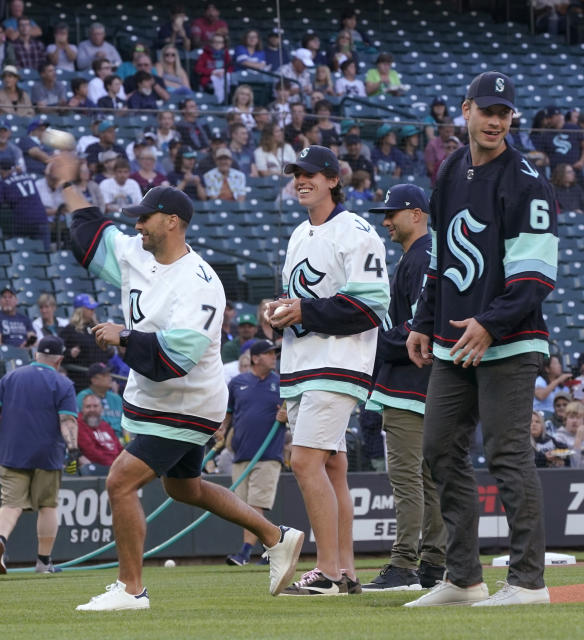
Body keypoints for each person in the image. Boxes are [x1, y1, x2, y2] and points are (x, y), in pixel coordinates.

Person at [59, 158, 302, 609]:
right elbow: (89, 233)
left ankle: (132, 589)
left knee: (120, 482)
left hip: (187, 401)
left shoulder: (199, 282)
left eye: (145, 218)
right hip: (155, 400)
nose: (137, 226)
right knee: (182, 487)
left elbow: (178, 358)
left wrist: (124, 336)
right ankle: (277, 536)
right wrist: (68, 184)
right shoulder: (137, 252)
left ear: (172, 222)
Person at [404, 72, 557, 608]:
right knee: (438, 447)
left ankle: (527, 583)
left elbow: (536, 275)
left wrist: (491, 323)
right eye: (487, 110)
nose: (495, 120)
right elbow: (440, 261)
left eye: (505, 112)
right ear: (465, 111)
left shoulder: (526, 178)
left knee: (508, 453)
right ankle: (464, 578)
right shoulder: (449, 169)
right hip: (453, 339)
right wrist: (424, 321)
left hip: (509, 342)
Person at [266, 145, 389, 596]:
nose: (302, 180)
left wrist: (302, 311)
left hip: (339, 361)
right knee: (333, 466)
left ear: (334, 179)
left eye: (312, 174)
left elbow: (372, 305)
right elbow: (298, 298)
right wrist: (279, 310)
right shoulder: (299, 233)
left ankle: (329, 571)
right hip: (303, 363)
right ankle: (348, 571)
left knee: (305, 460)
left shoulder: (356, 231)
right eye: (296, 174)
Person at [362, 185, 446, 591]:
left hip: (408, 384)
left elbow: (418, 328)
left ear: (416, 214)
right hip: (427, 385)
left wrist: (366, 343)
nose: (386, 221)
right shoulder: (423, 254)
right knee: (427, 478)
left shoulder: (421, 256)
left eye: (392, 213)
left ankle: (403, 564)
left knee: (407, 478)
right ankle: (433, 562)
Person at [0, 335, 78, 574]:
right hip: (48, 455)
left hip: (13, 452)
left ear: (36, 354)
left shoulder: (11, 376)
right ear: (60, 359)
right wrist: (73, 449)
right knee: (47, 507)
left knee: (11, 505)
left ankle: (1, 540)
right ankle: (43, 562)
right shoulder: (63, 383)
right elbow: (67, 421)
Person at [221, 340, 286, 566]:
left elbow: (294, 411)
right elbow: (228, 415)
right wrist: (221, 431)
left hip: (268, 454)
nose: (273, 357)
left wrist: (286, 415)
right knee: (243, 508)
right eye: (268, 354)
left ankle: (245, 552)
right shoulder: (237, 383)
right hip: (241, 454)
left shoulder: (281, 383)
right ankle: (275, 547)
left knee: (254, 505)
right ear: (256, 358)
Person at [0, 158, 51, 248]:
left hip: (23, 221)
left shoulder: (3, 183)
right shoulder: (28, 176)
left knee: (20, 250)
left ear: (1, 170)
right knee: (44, 253)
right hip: (41, 219)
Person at [60, 294, 113, 391]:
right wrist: (69, 353)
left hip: (100, 380)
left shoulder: (96, 328)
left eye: (93, 308)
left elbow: (104, 354)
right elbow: (59, 354)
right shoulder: (69, 330)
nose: (93, 311)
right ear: (80, 310)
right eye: (89, 308)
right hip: (81, 381)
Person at [77, 362, 124, 442]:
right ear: (94, 380)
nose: (110, 378)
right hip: (96, 440)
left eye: (109, 374)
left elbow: (125, 426)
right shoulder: (83, 397)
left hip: (119, 442)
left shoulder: (116, 398)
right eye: (105, 375)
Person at [76, 393, 122, 467]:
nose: (92, 410)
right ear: (82, 409)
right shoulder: (79, 424)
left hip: (116, 466)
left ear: (101, 408)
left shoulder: (105, 425)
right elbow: (90, 452)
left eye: (95, 406)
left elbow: (119, 447)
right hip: (98, 468)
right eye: (88, 407)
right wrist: (114, 464)